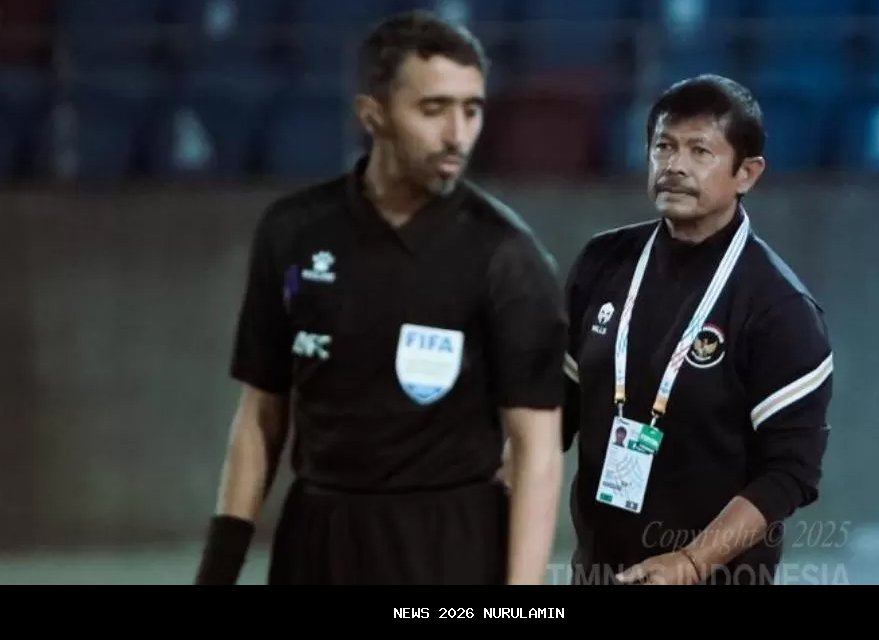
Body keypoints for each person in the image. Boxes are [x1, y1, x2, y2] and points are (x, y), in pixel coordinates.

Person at [194, 10, 567, 585]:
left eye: (471, 110)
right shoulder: (293, 232)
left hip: (447, 549)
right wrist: (218, 570)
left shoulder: (506, 256)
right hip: (316, 541)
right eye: (433, 109)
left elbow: (536, 451)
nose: (457, 135)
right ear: (373, 114)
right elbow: (260, 416)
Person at [562, 74, 833, 585]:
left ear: (746, 173)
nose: (674, 166)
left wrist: (691, 562)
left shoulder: (779, 307)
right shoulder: (603, 262)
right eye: (663, 146)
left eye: (699, 151)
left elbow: (789, 474)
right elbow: (553, 411)